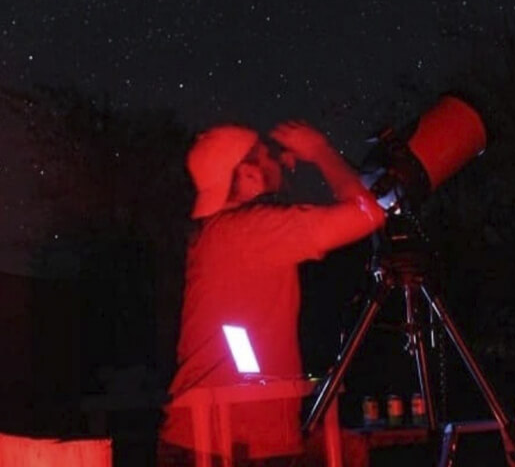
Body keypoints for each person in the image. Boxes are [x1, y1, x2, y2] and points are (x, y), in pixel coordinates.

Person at [158, 120, 385, 465]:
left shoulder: (225, 235)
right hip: (229, 445)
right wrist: (321, 153)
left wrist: (281, 176)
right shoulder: (252, 233)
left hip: (218, 437)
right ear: (249, 175)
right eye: (270, 157)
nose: (283, 161)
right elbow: (366, 215)